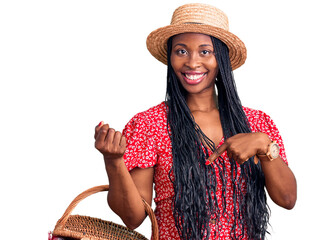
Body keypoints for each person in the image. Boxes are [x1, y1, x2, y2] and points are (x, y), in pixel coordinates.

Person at [94, 3, 297, 240]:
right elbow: (133, 218)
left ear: (221, 58)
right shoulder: (149, 124)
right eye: (181, 51)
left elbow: (287, 199)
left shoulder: (257, 123)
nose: (192, 62)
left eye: (205, 51)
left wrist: (264, 146)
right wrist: (113, 161)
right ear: (170, 58)